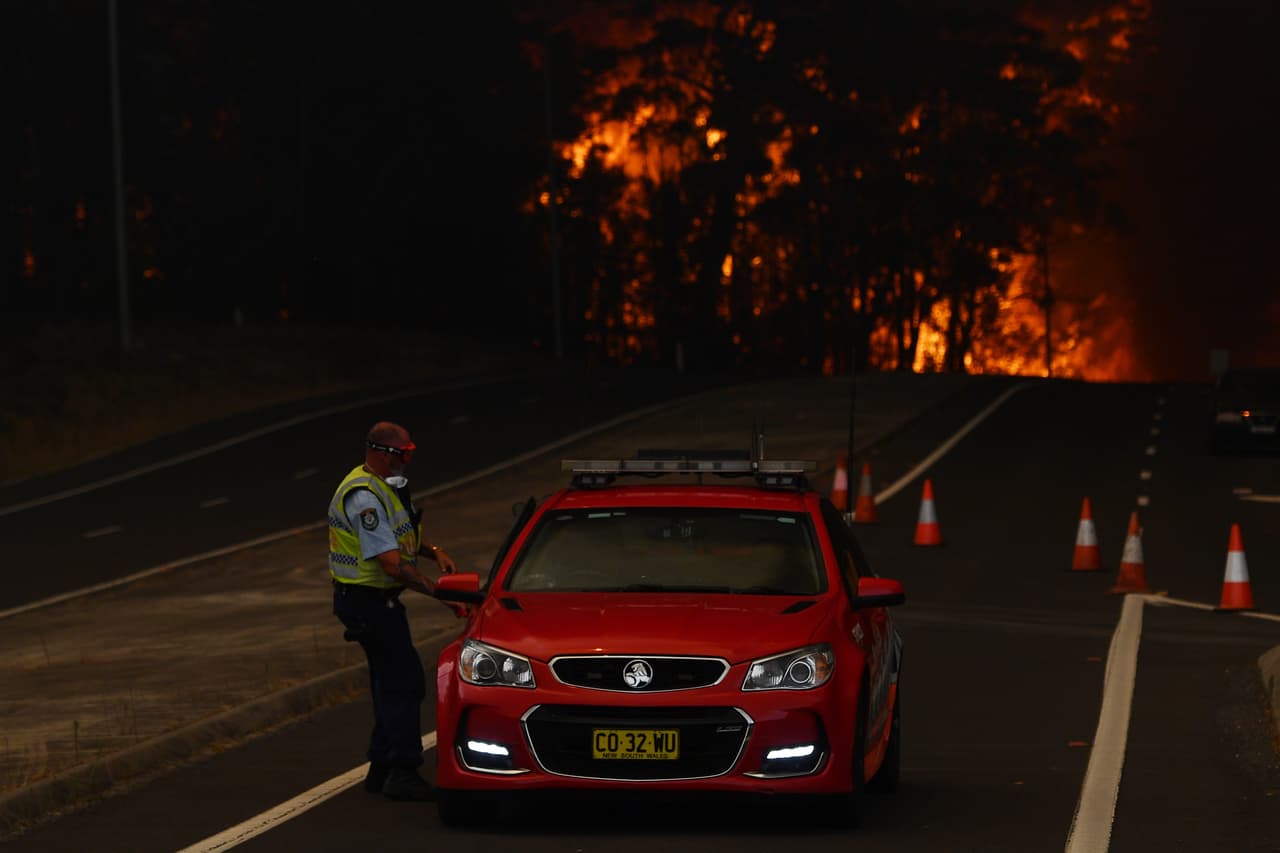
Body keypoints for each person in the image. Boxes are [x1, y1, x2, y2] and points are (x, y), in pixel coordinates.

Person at [327, 421, 457, 801]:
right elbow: (390, 562)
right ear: (384, 453)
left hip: (374, 602)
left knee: (389, 682)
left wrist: (434, 552)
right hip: (367, 602)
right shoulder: (364, 497)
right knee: (404, 682)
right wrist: (442, 595)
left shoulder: (384, 488)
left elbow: (401, 536)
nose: (409, 461)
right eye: (406, 454)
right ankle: (401, 771)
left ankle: (382, 765)